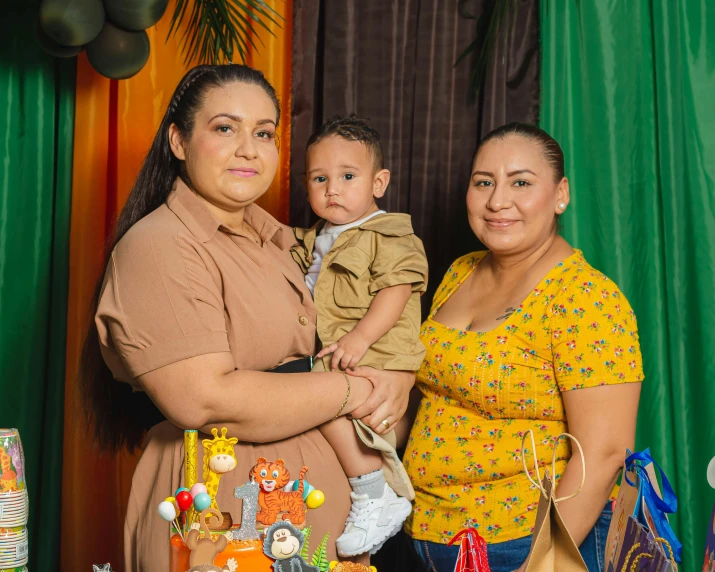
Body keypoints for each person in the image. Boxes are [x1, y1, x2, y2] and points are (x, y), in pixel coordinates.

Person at [79, 64, 415, 570]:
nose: (248, 149)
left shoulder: (284, 242)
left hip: (318, 522)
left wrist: (400, 375)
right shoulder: (160, 247)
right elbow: (204, 399)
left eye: (263, 133)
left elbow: (380, 302)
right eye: (224, 128)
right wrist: (358, 390)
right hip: (223, 518)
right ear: (177, 140)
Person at [403, 123, 643, 572]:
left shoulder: (585, 298)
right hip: (426, 533)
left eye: (521, 182)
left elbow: (607, 451)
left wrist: (542, 562)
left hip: (519, 544)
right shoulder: (461, 271)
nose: (498, 201)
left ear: (560, 194)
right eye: (484, 182)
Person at [291, 115, 428, 557]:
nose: (333, 188)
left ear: (379, 182)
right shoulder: (314, 237)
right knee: (316, 406)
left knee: (322, 402)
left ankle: (375, 494)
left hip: (378, 350)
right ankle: (367, 489)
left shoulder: (388, 232)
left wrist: (362, 338)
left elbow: (397, 289)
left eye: (348, 176)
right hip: (341, 351)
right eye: (319, 178)